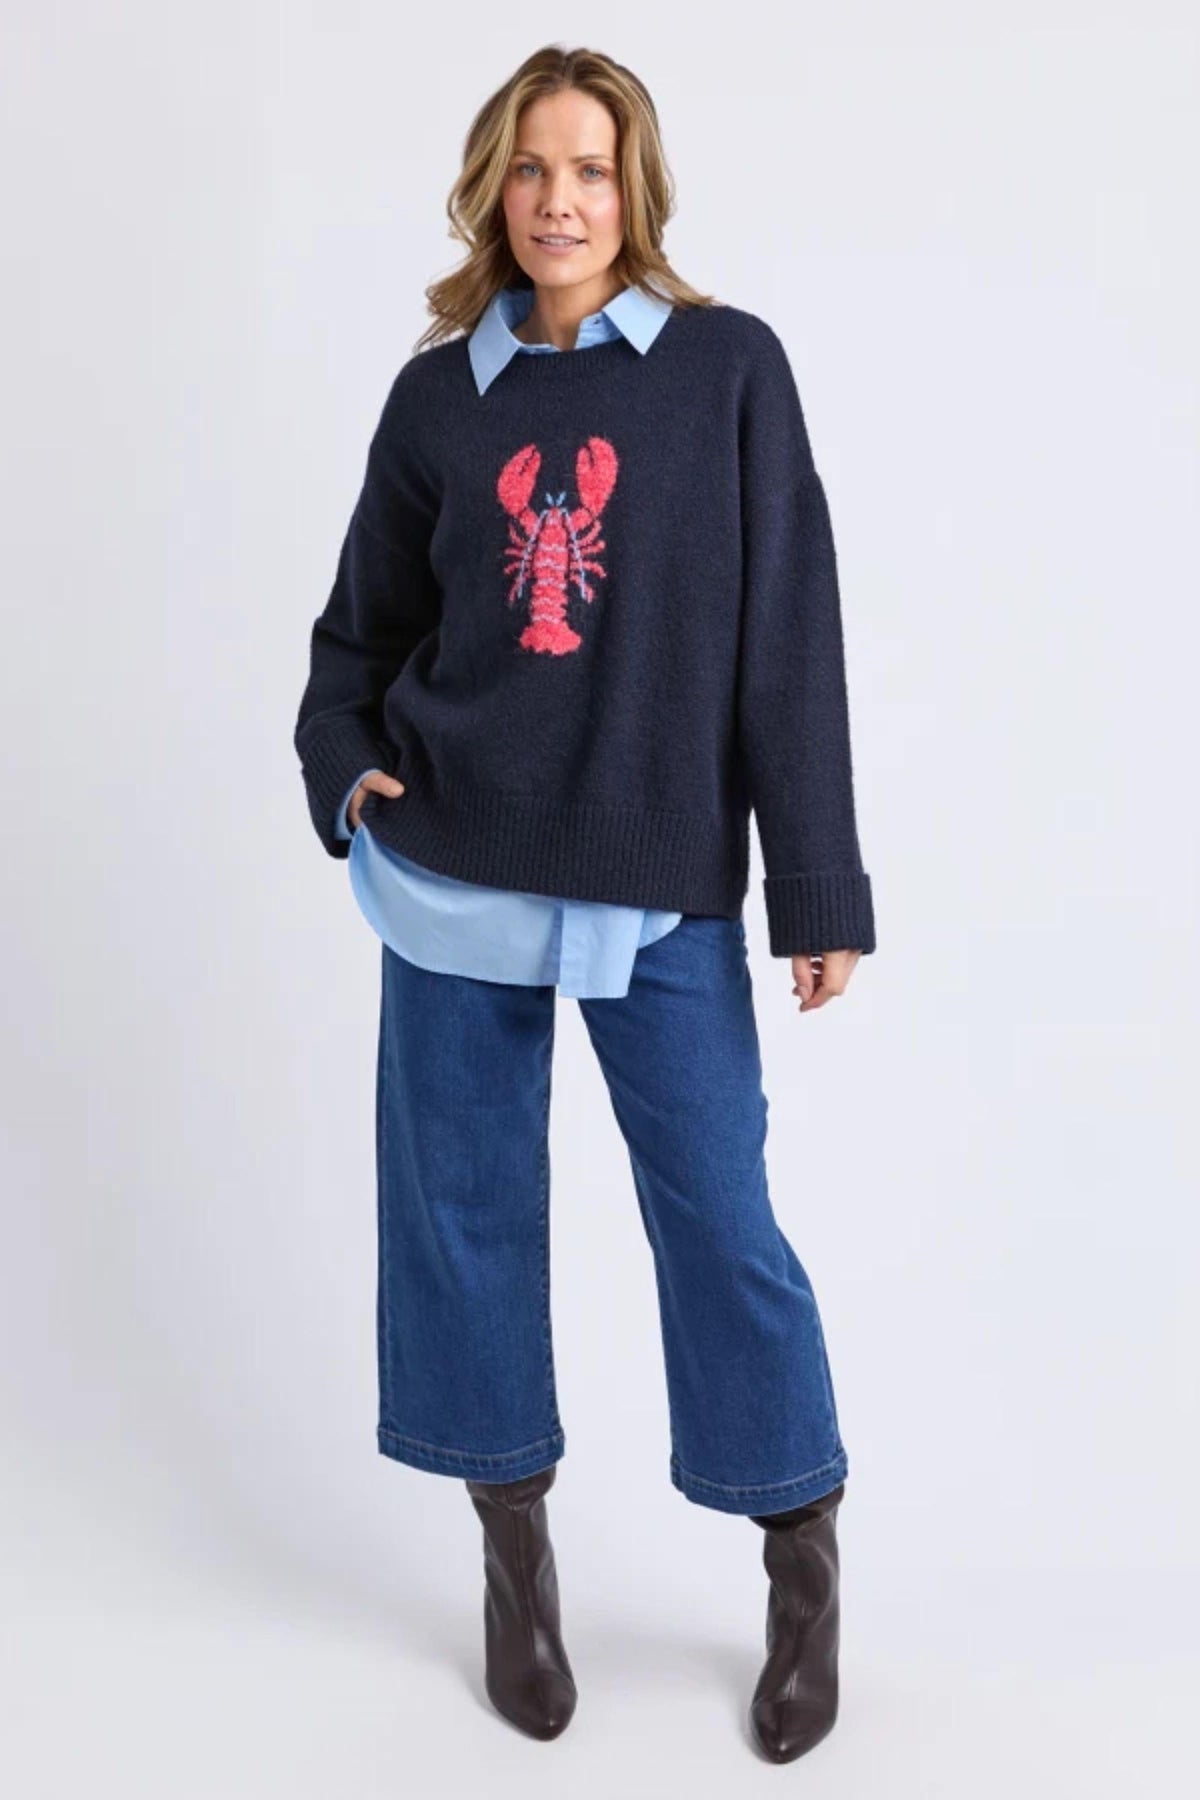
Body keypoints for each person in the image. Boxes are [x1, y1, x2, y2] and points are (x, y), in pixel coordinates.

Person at [293, 43, 876, 1764]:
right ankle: (513, 1554)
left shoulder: (726, 370)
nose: (563, 200)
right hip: (454, 864)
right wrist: (350, 771)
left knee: (720, 1216)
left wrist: (817, 882)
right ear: (495, 189)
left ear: (639, 191)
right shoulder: (438, 400)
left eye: (595, 170)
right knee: (463, 1217)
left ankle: (801, 1557)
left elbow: (791, 638)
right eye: (535, 169)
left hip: (652, 872)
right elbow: (358, 637)